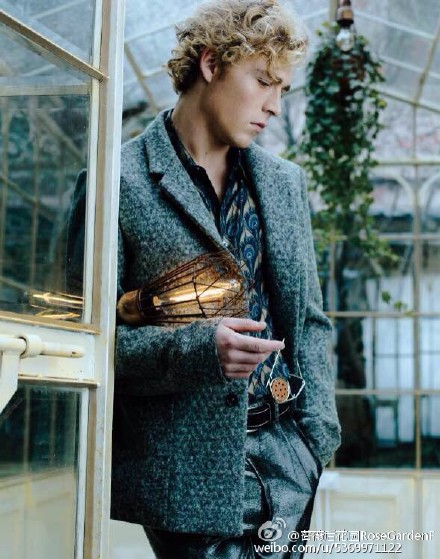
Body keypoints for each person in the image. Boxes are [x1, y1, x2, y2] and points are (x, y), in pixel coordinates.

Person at [110, 1, 340, 557]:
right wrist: (199, 352)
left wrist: (316, 441)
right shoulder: (117, 181)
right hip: (185, 475)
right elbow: (96, 343)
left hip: (290, 454)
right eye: (263, 81)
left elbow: (308, 321)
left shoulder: (284, 182)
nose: (275, 106)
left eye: (282, 88)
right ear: (211, 64)